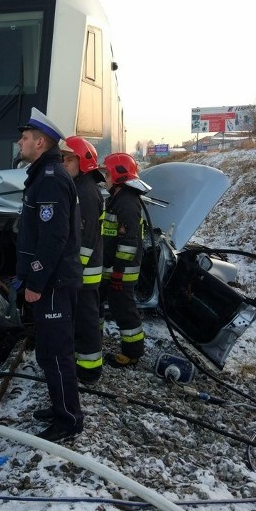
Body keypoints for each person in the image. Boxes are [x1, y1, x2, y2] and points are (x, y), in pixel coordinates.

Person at [16, 108, 84, 442]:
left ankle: (69, 419)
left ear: (40, 142)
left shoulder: (51, 179)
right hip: (51, 282)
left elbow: (53, 238)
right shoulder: (44, 176)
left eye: (25, 137)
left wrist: (35, 282)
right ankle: (60, 407)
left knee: (57, 352)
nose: (21, 141)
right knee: (47, 350)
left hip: (54, 283)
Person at [59, 136, 105, 384]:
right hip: (82, 271)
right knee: (82, 319)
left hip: (85, 273)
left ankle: (89, 370)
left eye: (68, 159)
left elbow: (84, 239)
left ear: (83, 161)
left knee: (86, 320)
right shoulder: (80, 187)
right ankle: (83, 361)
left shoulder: (85, 192)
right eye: (62, 158)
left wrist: (75, 270)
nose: (63, 163)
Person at [100, 153, 151, 368]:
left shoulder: (128, 203)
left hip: (122, 270)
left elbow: (129, 243)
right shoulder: (118, 199)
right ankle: (94, 341)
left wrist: (119, 272)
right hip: (112, 268)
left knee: (124, 309)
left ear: (119, 176)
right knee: (101, 304)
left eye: (108, 174)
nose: (105, 178)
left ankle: (133, 353)